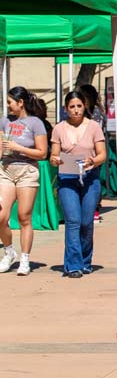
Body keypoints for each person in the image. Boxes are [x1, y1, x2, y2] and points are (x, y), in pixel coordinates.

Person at [49, 91, 107, 278]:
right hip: (67, 177)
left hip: (90, 177)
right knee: (73, 221)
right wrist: (55, 159)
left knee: (86, 222)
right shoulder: (59, 128)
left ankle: (85, 260)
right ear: (66, 108)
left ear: (85, 106)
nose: (75, 110)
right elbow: (53, 155)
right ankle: (74, 265)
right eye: (72, 107)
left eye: (79, 106)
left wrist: (93, 161)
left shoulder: (94, 127)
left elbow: (102, 154)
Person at [0, 86, 49, 276]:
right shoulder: (4, 122)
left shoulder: (35, 123)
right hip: (6, 170)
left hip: (27, 171)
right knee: (2, 216)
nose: (8, 106)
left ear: (20, 103)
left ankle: (25, 258)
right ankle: (9, 251)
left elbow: (42, 152)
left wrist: (18, 147)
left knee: (24, 216)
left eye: (10, 102)